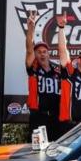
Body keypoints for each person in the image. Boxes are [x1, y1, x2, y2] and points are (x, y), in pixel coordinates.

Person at [24, 11, 63, 141]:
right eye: (38, 52)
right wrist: (31, 28)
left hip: (56, 117)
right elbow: (29, 48)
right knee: (35, 151)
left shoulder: (57, 71)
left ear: (48, 54)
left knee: (56, 149)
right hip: (38, 117)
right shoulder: (33, 68)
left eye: (44, 52)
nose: (41, 54)